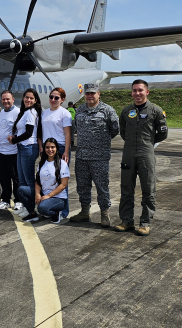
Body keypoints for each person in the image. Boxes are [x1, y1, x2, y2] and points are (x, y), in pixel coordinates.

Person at [114, 79, 168, 236]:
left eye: (140, 90)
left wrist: (148, 143)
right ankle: (126, 221)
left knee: (148, 189)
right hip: (128, 154)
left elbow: (163, 133)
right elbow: (123, 132)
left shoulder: (156, 111)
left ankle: (145, 223)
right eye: (134, 90)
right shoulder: (126, 112)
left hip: (146, 154)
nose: (137, 93)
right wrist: (132, 143)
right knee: (126, 189)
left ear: (147, 92)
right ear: (131, 92)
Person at [70, 83, 119, 227]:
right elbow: (76, 127)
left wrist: (100, 143)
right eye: (87, 94)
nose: (90, 96)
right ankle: (85, 211)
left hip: (100, 157)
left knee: (102, 186)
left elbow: (115, 129)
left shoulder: (107, 110)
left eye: (93, 93)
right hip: (82, 156)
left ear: (99, 94)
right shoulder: (79, 110)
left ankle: (105, 214)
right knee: (83, 186)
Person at [16, 138, 70, 224]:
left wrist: (48, 196)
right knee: (21, 190)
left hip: (58, 198)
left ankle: (56, 212)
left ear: (56, 148)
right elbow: (38, 182)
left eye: (53, 147)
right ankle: (32, 214)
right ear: (44, 149)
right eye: (47, 147)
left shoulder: (62, 164)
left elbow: (63, 185)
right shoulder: (42, 163)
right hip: (44, 194)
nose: (50, 150)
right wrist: (37, 194)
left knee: (42, 208)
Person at [9, 88, 42, 217]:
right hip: (22, 148)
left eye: (31, 98)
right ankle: (27, 207)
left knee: (28, 181)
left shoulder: (31, 113)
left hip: (28, 148)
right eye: (26, 97)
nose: (28, 100)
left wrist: (14, 140)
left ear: (35, 100)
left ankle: (33, 208)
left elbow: (28, 133)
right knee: (22, 180)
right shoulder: (25, 112)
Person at [0, 90, 20, 210]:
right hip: (2, 151)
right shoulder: (2, 112)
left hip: (13, 151)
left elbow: (22, 130)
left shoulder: (18, 112)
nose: (5, 101)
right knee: (4, 177)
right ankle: (5, 200)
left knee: (15, 178)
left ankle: (18, 200)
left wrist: (16, 137)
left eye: (8, 99)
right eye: (3, 99)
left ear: (13, 99)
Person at [40, 87, 72, 163]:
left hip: (60, 146)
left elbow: (68, 134)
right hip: (47, 147)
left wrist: (66, 151)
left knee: (60, 173)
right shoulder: (44, 113)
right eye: (51, 97)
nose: (53, 100)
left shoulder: (64, 113)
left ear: (62, 99)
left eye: (56, 98)